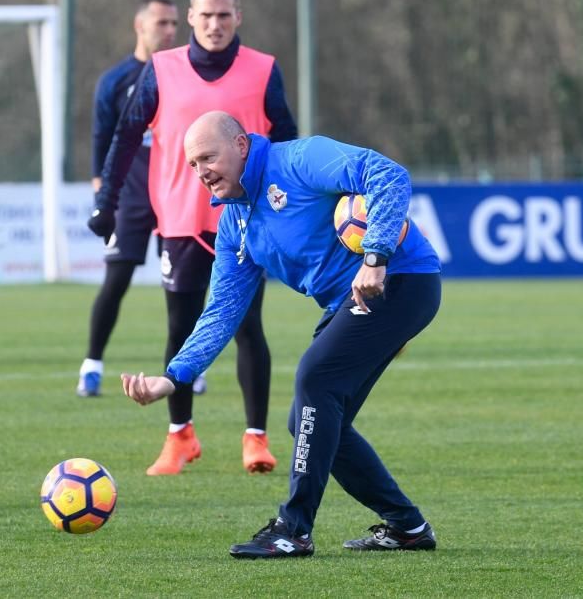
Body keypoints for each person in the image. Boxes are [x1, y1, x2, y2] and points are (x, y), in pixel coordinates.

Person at [121, 110, 442, 558]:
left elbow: (388, 174)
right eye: (193, 164)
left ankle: (293, 529)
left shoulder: (300, 160)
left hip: (403, 278)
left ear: (241, 145)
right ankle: (407, 526)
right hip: (349, 300)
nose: (201, 172)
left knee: (315, 378)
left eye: (208, 157)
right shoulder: (235, 223)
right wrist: (172, 377)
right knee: (311, 418)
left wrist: (376, 255)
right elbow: (222, 311)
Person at [88, 0, 298, 475]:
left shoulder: (263, 70)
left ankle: (256, 439)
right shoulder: (163, 69)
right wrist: (106, 200)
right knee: (181, 328)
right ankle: (179, 436)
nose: (215, 24)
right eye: (206, 15)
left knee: (248, 326)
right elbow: (126, 134)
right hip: (181, 220)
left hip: (245, 219)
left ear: (238, 17)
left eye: (224, 15)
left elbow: (287, 142)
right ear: (190, 17)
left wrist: (291, 203)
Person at [77, 0, 209, 397]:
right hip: (133, 197)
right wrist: (102, 187)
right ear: (140, 26)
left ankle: (189, 367)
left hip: (179, 196)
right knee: (115, 281)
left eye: (173, 23)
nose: (169, 31)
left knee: (188, 289)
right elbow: (105, 136)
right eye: (161, 23)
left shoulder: (184, 75)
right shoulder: (115, 80)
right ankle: (92, 364)